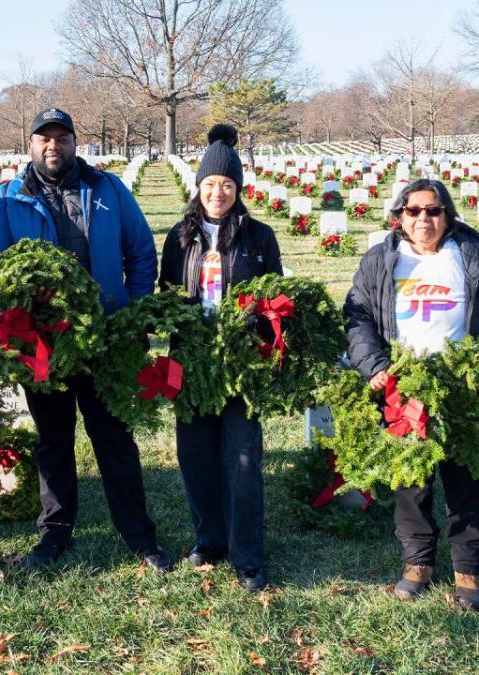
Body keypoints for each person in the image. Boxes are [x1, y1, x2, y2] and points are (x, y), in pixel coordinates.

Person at [0, 107, 172, 573]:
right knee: (53, 440)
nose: (53, 146)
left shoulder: (108, 190)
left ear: (74, 143)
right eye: (44, 138)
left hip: (103, 339)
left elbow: (141, 252)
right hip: (43, 347)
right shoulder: (7, 199)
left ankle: (138, 534)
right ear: (31, 144)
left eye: (62, 137)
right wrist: (21, 314)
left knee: (114, 437)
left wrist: (135, 315)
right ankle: (55, 531)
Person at [343, 178, 479, 611]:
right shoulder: (380, 260)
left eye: (433, 210)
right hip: (403, 387)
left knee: (464, 482)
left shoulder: (473, 259)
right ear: (399, 217)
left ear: (449, 215)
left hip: (461, 388)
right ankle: (417, 561)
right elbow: (358, 316)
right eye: (414, 210)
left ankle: (469, 567)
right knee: (412, 483)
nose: (424, 218)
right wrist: (375, 367)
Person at [158, 124, 282, 592]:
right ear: (198, 187)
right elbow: (167, 292)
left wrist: (265, 347)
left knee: (243, 456)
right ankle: (209, 539)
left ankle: (247, 555)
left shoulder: (258, 236)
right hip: (191, 360)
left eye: (227, 184)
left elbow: (275, 298)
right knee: (196, 455)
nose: (217, 192)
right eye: (210, 184)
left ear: (238, 189)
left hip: (240, 360)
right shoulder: (180, 236)